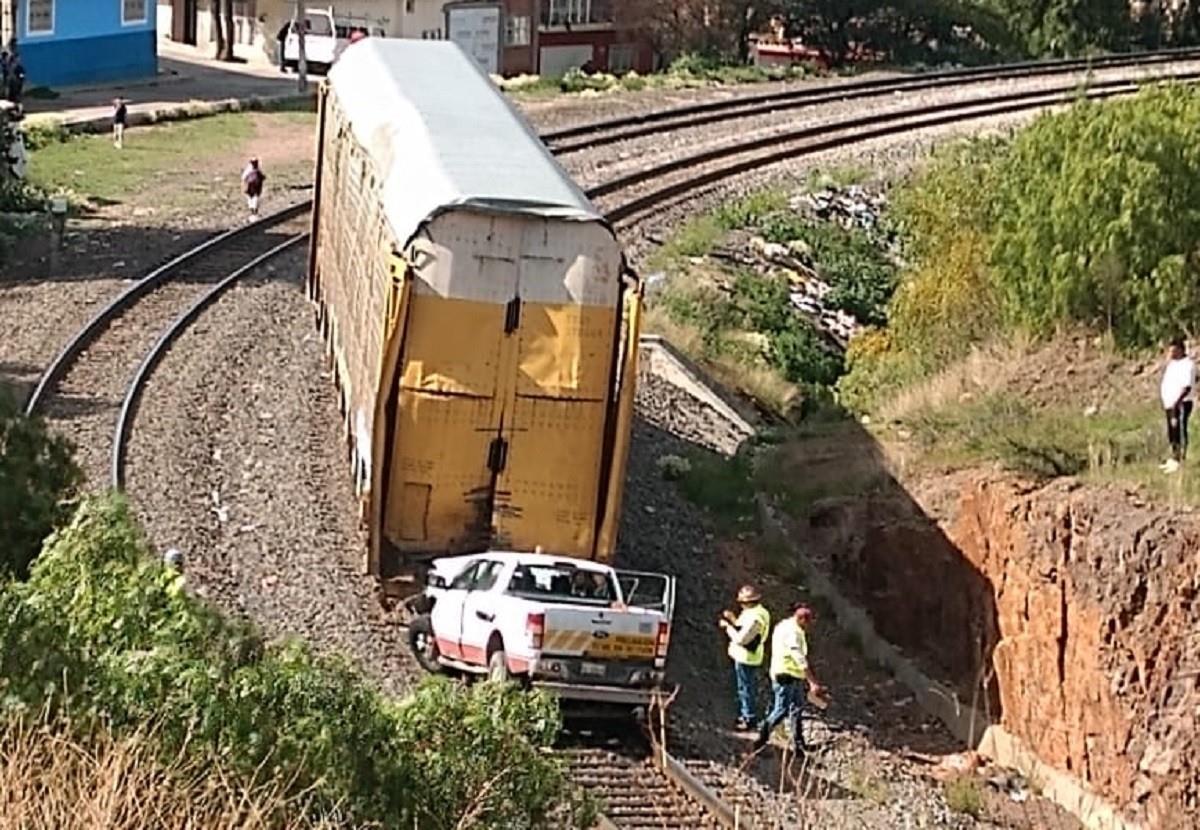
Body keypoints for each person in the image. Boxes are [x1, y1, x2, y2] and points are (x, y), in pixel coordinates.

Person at [754, 603, 825, 758]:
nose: (809, 626)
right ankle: (760, 740)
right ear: (802, 619)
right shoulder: (793, 632)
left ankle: (799, 746)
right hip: (786, 675)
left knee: (797, 710)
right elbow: (798, 657)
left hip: (791, 675)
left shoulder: (784, 626)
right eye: (808, 622)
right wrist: (812, 682)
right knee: (781, 710)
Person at [719, 584, 770, 731]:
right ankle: (747, 714)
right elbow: (743, 626)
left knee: (746, 687)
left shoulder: (755, 617)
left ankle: (748, 718)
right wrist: (733, 619)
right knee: (746, 686)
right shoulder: (759, 612)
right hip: (749, 656)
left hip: (746, 657)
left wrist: (727, 627)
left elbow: (742, 638)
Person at [1161, 335, 1195, 474]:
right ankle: (1173, 458)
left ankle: (1180, 459)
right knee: (1172, 431)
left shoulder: (1188, 364)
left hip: (1181, 403)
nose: (1171, 353)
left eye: (1173, 351)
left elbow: (1186, 387)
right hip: (1170, 404)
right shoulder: (1172, 364)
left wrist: (1177, 403)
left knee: (1179, 429)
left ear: (1180, 350)